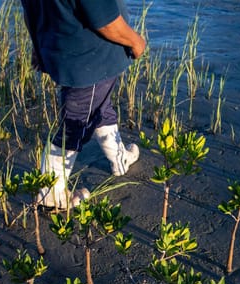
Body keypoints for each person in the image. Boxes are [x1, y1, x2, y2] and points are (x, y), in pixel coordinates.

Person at [20, 0, 147, 209]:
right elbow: (106, 22)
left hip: (65, 52)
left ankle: (120, 159)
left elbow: (31, 10)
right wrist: (136, 41)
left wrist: (38, 46)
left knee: (99, 106)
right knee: (73, 125)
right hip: (90, 60)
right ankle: (51, 196)